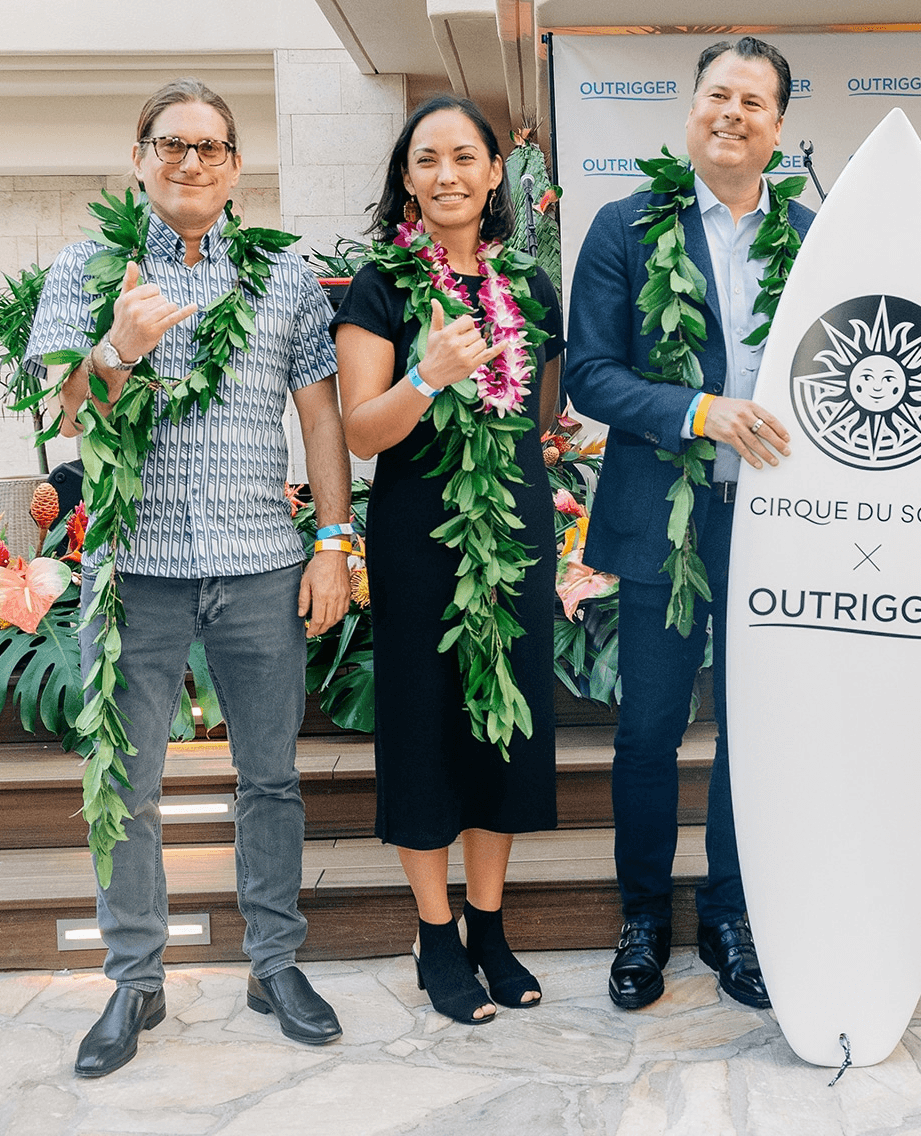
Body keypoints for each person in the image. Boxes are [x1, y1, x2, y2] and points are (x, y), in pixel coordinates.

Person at [27, 79, 352, 1076]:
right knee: (126, 783)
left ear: (235, 166)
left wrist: (334, 542)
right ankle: (136, 978)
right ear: (139, 158)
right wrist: (118, 348)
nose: (191, 161)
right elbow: (61, 415)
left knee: (272, 778)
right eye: (171, 143)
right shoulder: (89, 267)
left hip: (261, 564)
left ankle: (274, 962)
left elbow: (322, 414)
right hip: (137, 570)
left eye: (210, 146)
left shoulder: (284, 274)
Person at [562, 36, 814, 1011]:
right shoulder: (625, 227)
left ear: (778, 126)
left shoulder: (812, 236)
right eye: (719, 94)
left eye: (754, 101)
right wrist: (701, 411)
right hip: (661, 521)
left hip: (778, 524)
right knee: (650, 729)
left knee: (757, 727)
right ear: (692, 108)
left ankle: (731, 915)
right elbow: (590, 375)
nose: (732, 113)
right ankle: (642, 919)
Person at [332, 94, 560, 1024]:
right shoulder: (379, 286)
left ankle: (489, 928)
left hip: (514, 533)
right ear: (407, 177)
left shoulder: (529, 288)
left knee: (500, 726)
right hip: (419, 536)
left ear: (495, 171)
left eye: (465, 156)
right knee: (426, 728)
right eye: (427, 159)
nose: (447, 174)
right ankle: (435, 934)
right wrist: (428, 375)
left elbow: (539, 415)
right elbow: (360, 431)